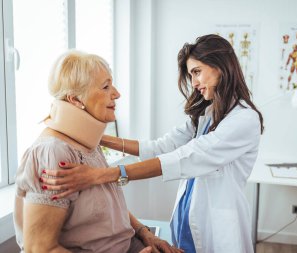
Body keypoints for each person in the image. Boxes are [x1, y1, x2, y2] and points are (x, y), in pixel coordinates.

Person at [42, 34, 264, 253]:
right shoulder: (208, 114)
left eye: (197, 72)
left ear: (221, 66)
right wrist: (97, 137)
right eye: (191, 74)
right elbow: (161, 147)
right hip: (186, 222)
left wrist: (101, 174)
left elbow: (185, 157)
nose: (194, 83)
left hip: (218, 230)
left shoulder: (244, 119)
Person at [14, 51, 182, 253]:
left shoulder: (88, 145)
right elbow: (39, 249)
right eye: (105, 87)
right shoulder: (53, 154)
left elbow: (109, 208)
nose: (117, 93)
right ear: (75, 100)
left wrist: (144, 233)